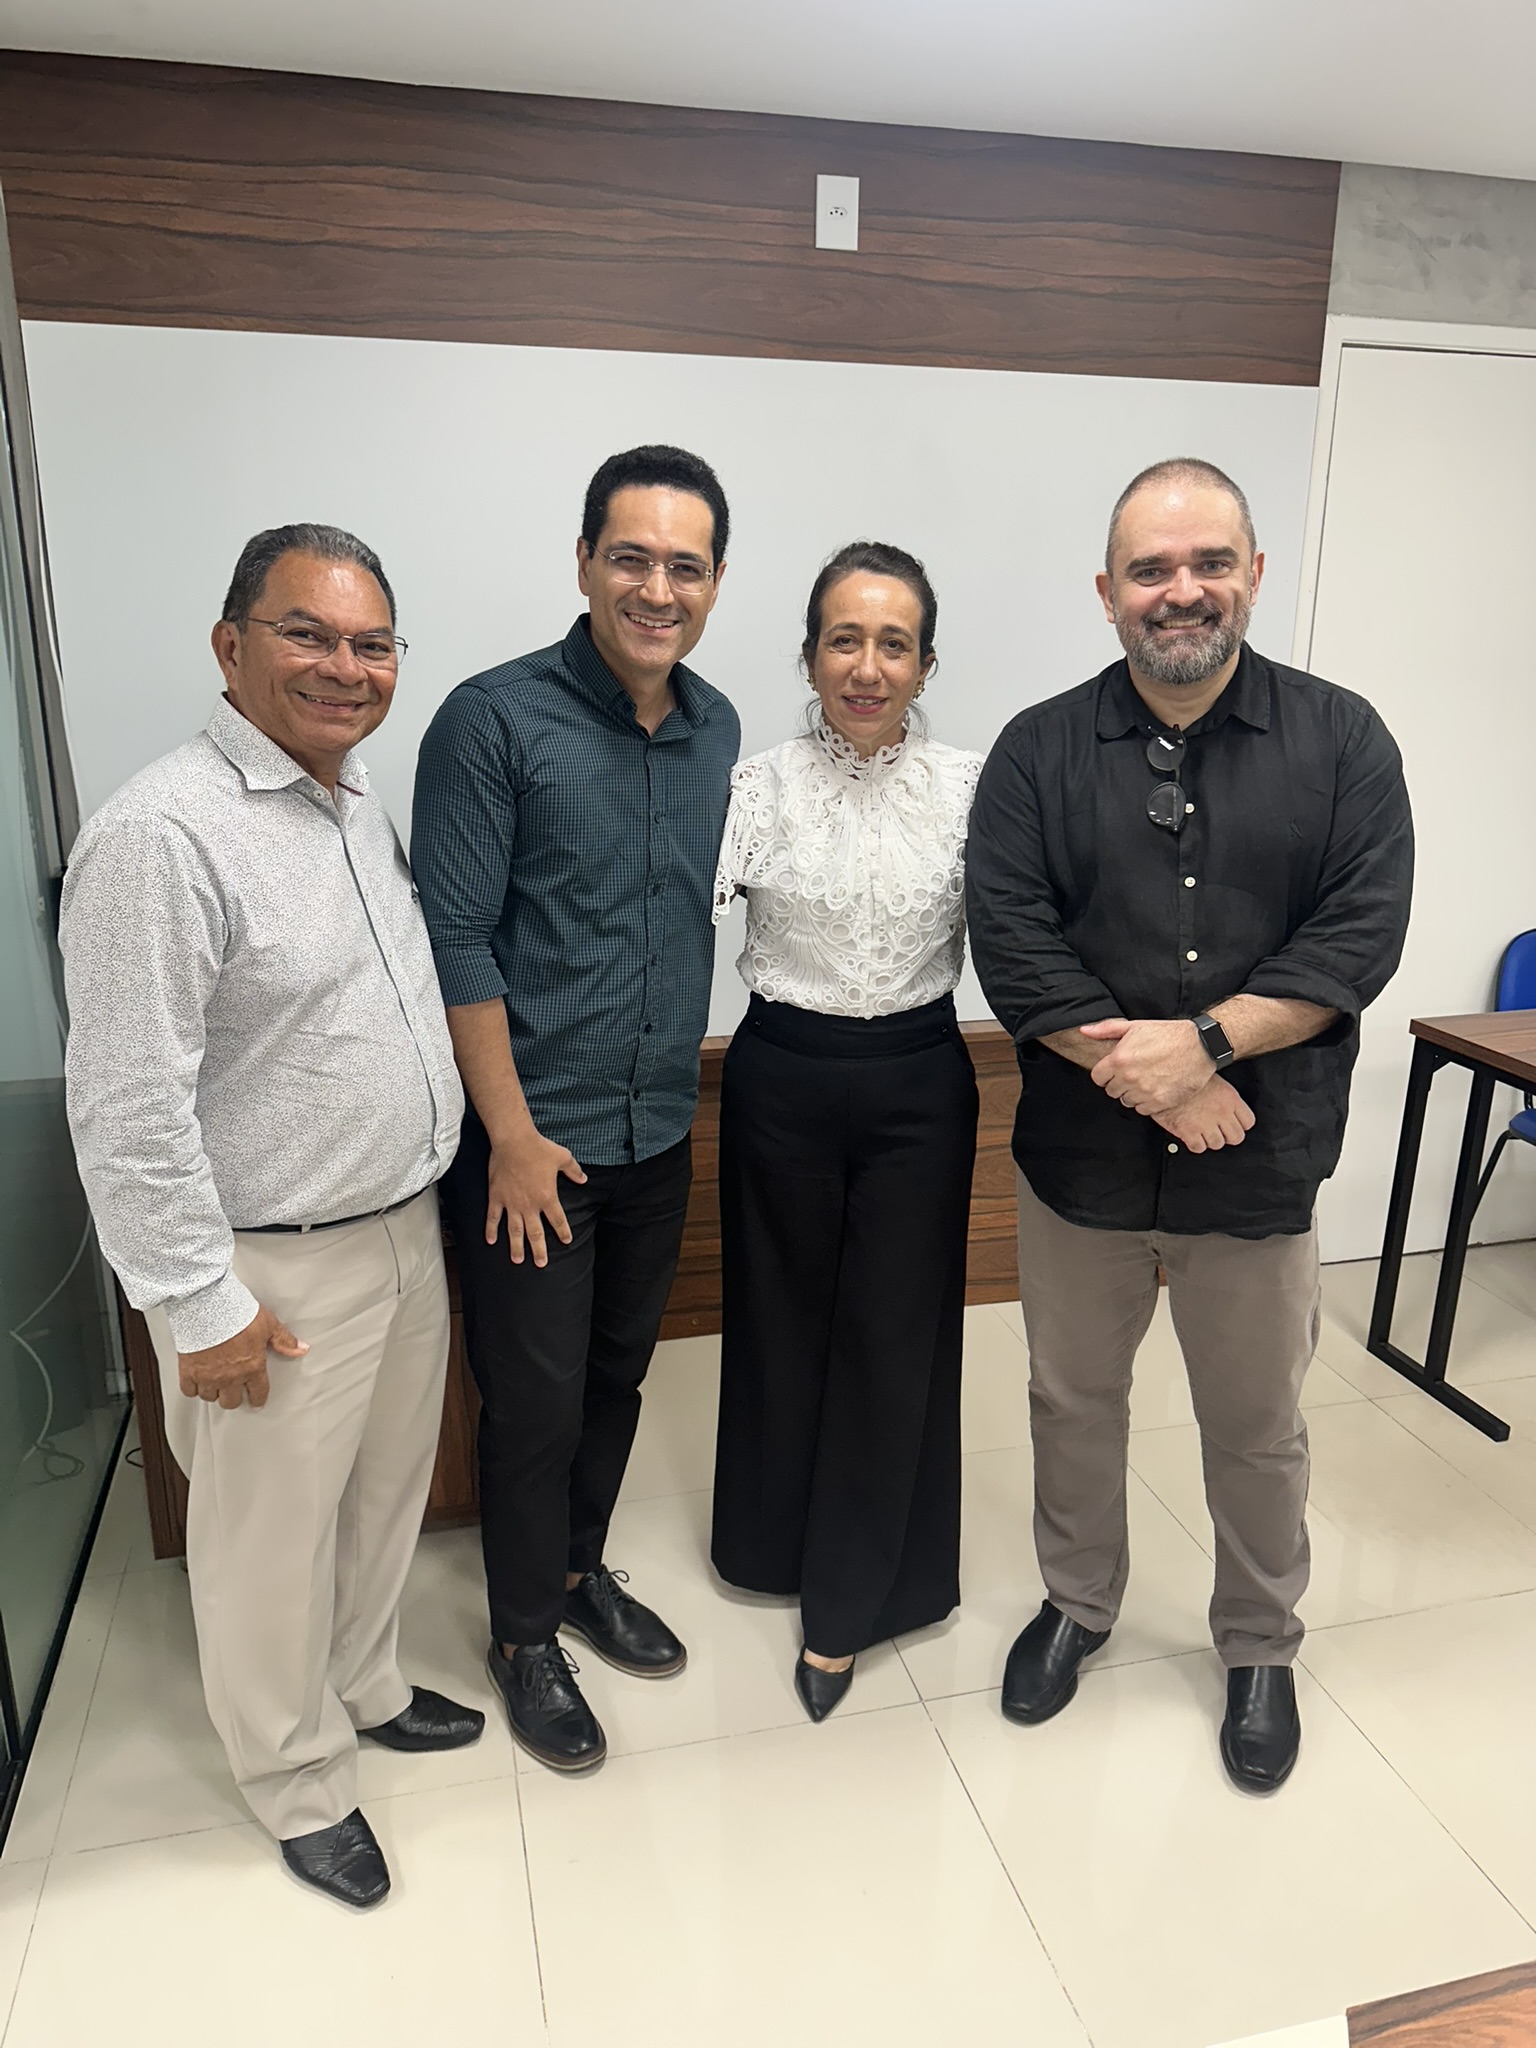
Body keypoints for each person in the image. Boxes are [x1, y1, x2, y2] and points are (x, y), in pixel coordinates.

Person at [966, 459, 1413, 1791]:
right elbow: (1014, 946)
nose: (1182, 590)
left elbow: (1358, 937)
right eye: (1151, 568)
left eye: (1210, 561)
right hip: (1081, 1171)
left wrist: (1206, 1046)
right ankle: (1078, 1603)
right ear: (1107, 592)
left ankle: (1260, 1643)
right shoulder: (1036, 751)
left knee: (1257, 1424)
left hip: (1257, 1161)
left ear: (1253, 575)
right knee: (1070, 1401)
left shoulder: (1345, 743)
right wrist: (1159, 1077)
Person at [60, 525, 482, 1910]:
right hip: (270, 1270)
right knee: (263, 1549)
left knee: (382, 1501)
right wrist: (199, 1304)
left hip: (400, 1230)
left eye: (371, 643)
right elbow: (126, 1104)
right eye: (308, 633)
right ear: (230, 645)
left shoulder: (352, 802)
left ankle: (365, 1684)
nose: (344, 667)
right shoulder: (159, 836)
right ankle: (297, 1778)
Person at [412, 445, 739, 1772]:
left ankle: (575, 1569)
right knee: (536, 1401)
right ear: (587, 561)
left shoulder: (718, 729)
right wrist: (506, 1136)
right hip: (528, 1145)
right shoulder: (491, 720)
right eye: (632, 558)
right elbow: (457, 939)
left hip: (658, 1126)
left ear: (715, 580)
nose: (658, 588)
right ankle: (520, 1634)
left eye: (685, 565)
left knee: (616, 1375)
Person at [710, 541, 982, 1722]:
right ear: (811, 653)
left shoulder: (974, 788)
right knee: (777, 1323)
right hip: (780, 1075)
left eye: (894, 644)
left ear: (925, 663)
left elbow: (1031, 930)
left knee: (894, 1334)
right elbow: (660, 916)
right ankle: (772, 1543)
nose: (867, 666)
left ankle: (858, 1594)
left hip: (920, 1079)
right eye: (844, 639)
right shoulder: (754, 784)